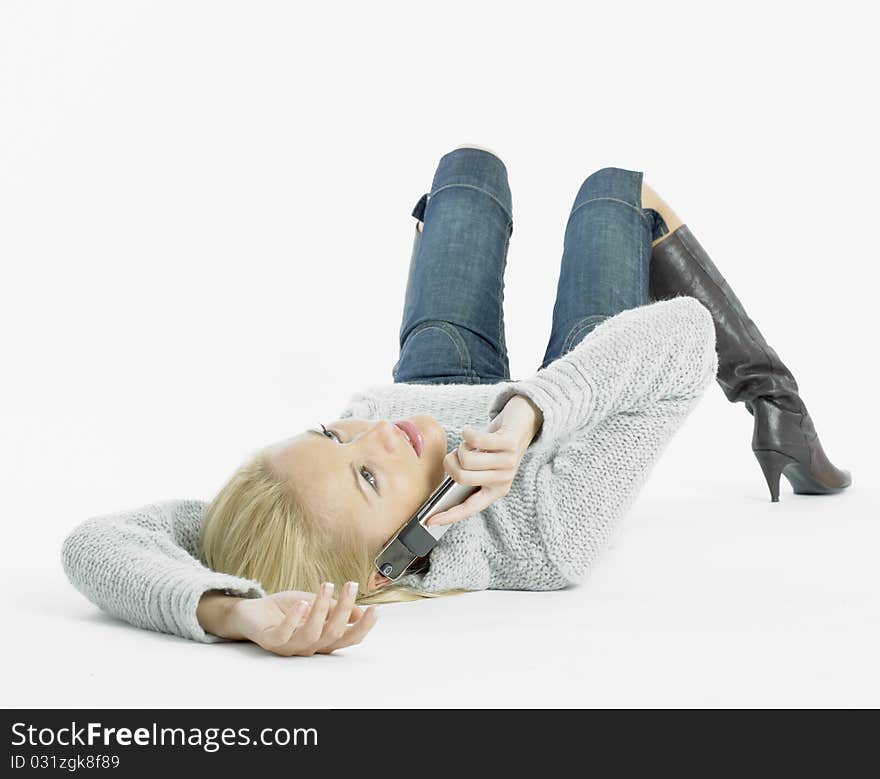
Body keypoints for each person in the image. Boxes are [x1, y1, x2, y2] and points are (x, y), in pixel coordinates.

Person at [61, 145, 850, 657]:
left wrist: (230, 609)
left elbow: (92, 543)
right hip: (576, 406)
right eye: (366, 477)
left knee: (466, 174)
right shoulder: (547, 532)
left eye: (331, 432)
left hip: (436, 383)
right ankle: (774, 403)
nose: (372, 433)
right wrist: (532, 413)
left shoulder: (313, 504)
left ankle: (779, 417)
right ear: (385, 566)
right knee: (616, 191)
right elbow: (682, 332)